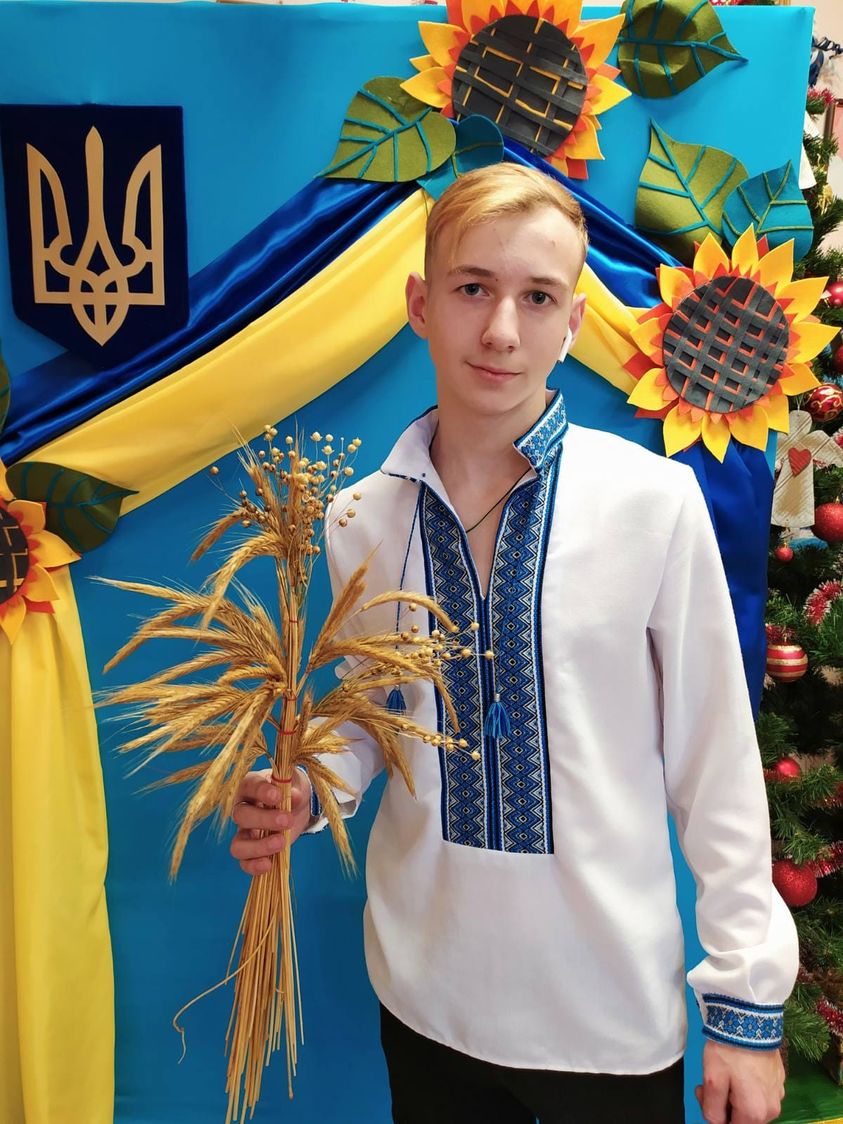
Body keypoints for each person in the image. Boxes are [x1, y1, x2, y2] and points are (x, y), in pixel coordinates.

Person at [230, 164, 797, 1124]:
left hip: (608, 1010)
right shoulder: (360, 516)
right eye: (472, 288)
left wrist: (746, 1005)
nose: (501, 330)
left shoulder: (652, 504)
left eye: (536, 298)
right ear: (421, 304)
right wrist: (307, 787)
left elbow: (716, 763)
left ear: (571, 323)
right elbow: (375, 718)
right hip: (425, 992)